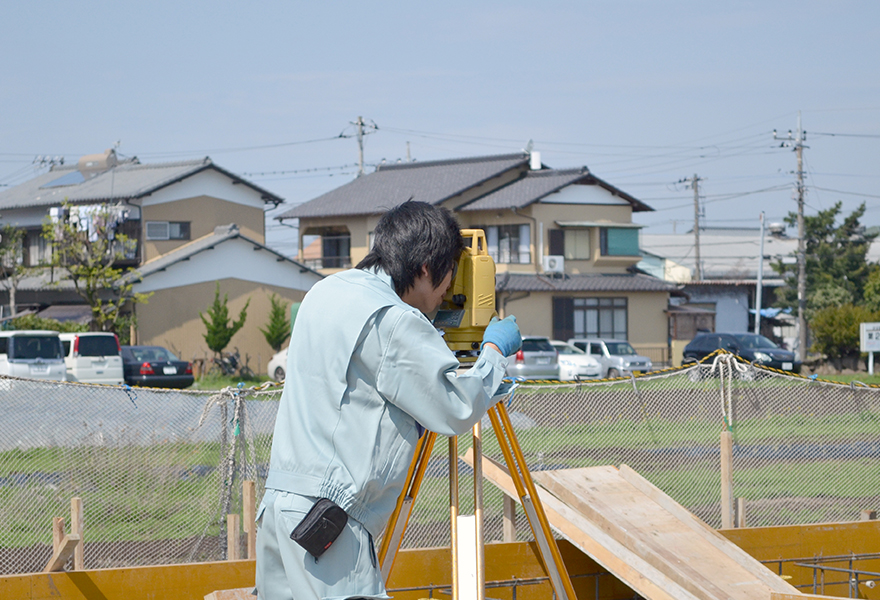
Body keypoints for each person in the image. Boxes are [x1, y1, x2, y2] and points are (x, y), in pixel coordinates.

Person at [255, 201, 522, 600]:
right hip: (327, 524)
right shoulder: (393, 320)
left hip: (280, 510)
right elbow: (454, 408)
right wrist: (494, 356)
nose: (451, 288)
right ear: (428, 268)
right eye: (451, 272)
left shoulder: (324, 292)